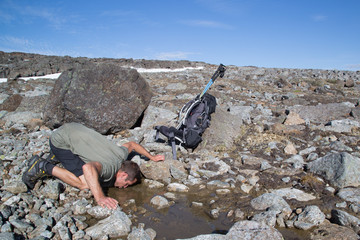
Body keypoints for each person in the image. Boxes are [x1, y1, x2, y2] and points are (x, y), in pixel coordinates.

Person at [22, 122, 164, 209]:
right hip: (60, 140)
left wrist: (151, 157)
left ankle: (59, 156)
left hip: (74, 128)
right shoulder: (110, 169)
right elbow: (88, 168)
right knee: (85, 183)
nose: (124, 187)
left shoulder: (120, 155)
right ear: (123, 174)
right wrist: (100, 197)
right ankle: (42, 165)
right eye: (126, 184)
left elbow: (132, 145)